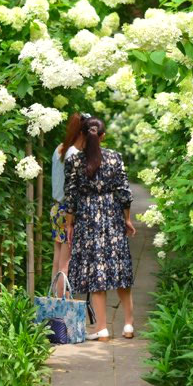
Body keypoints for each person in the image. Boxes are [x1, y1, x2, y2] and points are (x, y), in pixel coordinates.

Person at [64, 116, 136, 341]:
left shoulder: (74, 161)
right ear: (102, 136)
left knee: (96, 271)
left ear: (83, 134)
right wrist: (127, 219)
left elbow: (70, 196)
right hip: (112, 215)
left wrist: (69, 224)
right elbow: (124, 192)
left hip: (87, 218)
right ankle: (128, 325)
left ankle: (102, 329)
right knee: (120, 268)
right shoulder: (115, 158)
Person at [50, 113, 85, 297]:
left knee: (57, 260)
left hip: (56, 208)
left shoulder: (59, 149)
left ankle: (54, 302)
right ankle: (63, 305)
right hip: (67, 210)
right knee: (65, 264)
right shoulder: (75, 154)